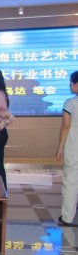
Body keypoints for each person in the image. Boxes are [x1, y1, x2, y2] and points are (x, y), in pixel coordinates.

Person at [56, 71, 78, 226]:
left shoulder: (70, 103)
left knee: (70, 181)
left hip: (74, 145)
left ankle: (67, 217)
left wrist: (60, 147)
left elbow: (65, 125)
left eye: (71, 83)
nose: (70, 86)